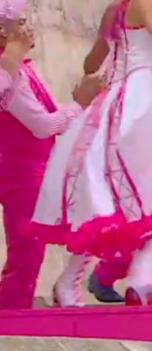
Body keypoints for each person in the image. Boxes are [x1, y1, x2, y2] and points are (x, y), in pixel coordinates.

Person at [0, 18, 102, 307]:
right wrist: (80, 104)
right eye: (17, 23)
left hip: (33, 166)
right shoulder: (11, 76)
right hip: (19, 170)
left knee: (31, 247)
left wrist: (76, 106)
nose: (28, 25)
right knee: (26, 249)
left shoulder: (22, 70)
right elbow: (43, 126)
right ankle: (11, 315)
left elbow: (48, 116)